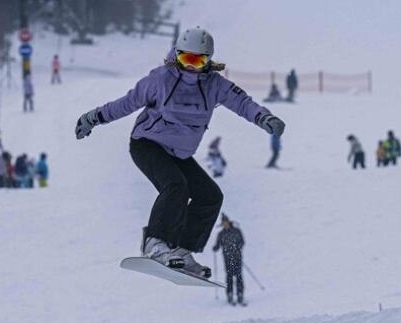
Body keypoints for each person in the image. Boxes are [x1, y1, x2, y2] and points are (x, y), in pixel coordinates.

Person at [74, 26, 285, 279]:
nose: (191, 67)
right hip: (147, 144)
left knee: (210, 196)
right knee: (175, 185)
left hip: (178, 153)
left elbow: (242, 102)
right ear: (176, 55)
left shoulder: (215, 86)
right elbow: (127, 103)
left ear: (209, 61)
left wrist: (264, 117)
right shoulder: (160, 79)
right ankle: (155, 244)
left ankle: (181, 250)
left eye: (199, 61)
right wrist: (93, 118)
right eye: (186, 59)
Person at [212, 213, 246, 306]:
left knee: (239, 276)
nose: (225, 224)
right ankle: (230, 294)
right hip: (227, 258)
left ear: (228, 222)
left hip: (237, 257)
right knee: (229, 276)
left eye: (226, 222)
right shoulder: (221, 234)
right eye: (223, 223)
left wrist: (237, 248)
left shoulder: (236, 231)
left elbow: (242, 242)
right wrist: (215, 248)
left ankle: (240, 294)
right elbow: (218, 245)